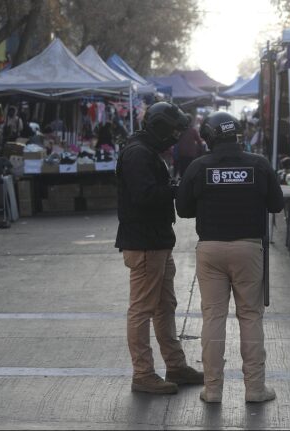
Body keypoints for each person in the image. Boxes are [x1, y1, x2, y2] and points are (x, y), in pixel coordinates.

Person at [176, 112, 284, 404]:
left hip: (210, 249)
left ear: (209, 137)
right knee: (250, 316)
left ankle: (212, 390)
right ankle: (255, 389)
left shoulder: (199, 167)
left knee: (213, 317)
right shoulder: (258, 164)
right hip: (249, 249)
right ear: (236, 134)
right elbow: (276, 203)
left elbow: (183, 209)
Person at [114, 101, 203, 394]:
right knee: (142, 309)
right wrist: (176, 190)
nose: (175, 137)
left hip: (157, 241)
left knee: (165, 306)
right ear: (160, 127)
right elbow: (144, 196)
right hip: (144, 243)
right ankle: (143, 374)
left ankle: (175, 365)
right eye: (173, 131)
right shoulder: (138, 153)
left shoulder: (146, 150)